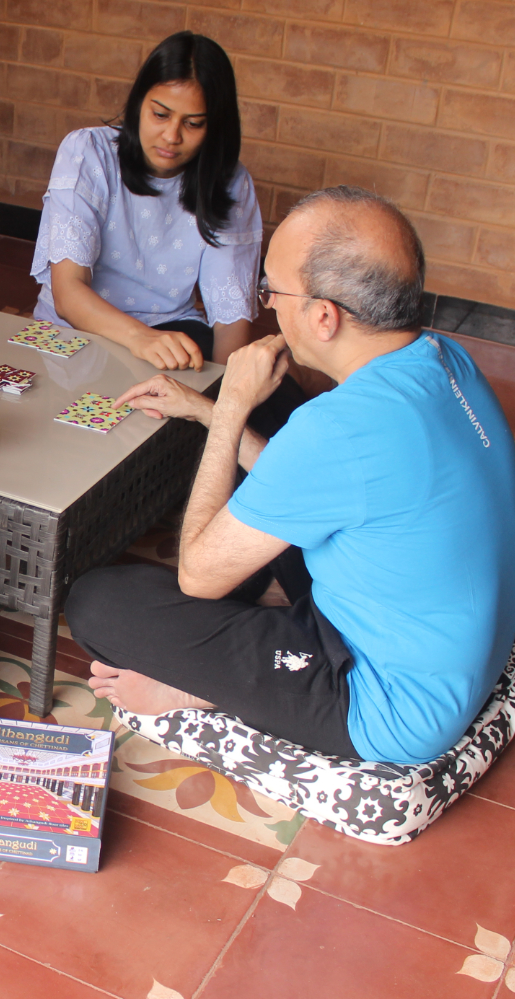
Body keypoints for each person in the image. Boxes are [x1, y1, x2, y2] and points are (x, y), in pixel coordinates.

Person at [65, 186, 515, 765]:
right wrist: (201, 409)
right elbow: (326, 469)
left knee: (98, 602)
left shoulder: (340, 430)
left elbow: (199, 578)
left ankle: (199, 692)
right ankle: (250, 644)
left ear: (323, 316)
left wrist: (227, 407)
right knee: (276, 410)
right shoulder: (446, 358)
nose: (266, 306)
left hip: (385, 702)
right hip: (438, 632)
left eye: (271, 289)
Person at [33, 32, 257, 371]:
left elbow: (230, 319)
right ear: (139, 103)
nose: (172, 136)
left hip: (171, 332)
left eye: (193, 123)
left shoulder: (229, 182)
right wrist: (141, 339)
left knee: (268, 400)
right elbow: (68, 292)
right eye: (161, 115)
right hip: (77, 332)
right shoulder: (88, 153)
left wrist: (223, 398)